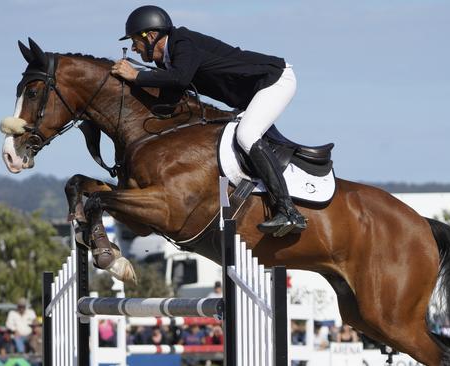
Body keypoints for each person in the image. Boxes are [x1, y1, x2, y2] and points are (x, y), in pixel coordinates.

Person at [111, 5, 307, 237]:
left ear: (151, 36)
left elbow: (180, 79)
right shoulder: (166, 62)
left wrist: (136, 76)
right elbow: (167, 104)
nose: (134, 48)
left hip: (274, 80)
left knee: (246, 135)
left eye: (135, 41)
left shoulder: (182, 43)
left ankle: (289, 211)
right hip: (251, 94)